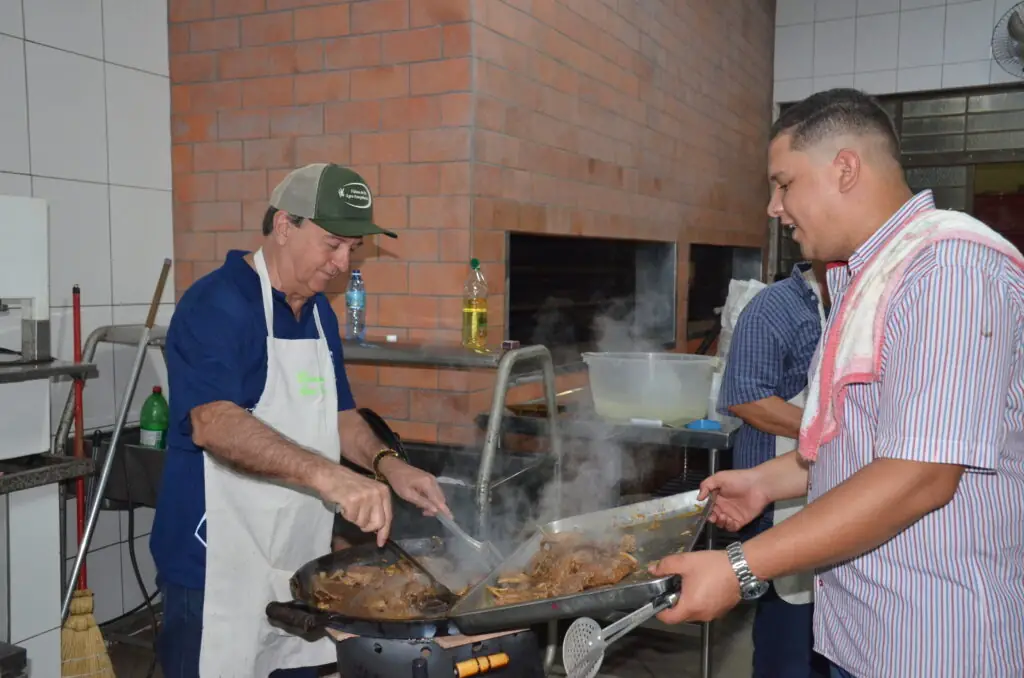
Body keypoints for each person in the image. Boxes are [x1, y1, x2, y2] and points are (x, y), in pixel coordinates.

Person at [651, 88, 1024, 677]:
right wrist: (764, 483)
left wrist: (742, 566)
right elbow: (857, 438)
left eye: (784, 183)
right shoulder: (866, 277)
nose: (775, 207)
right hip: (864, 632)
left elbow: (920, 474)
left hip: (933, 641)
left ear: (844, 168)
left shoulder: (949, 268)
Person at [150, 163, 453, 678]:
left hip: (298, 557)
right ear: (284, 225)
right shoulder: (217, 303)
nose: (342, 263)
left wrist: (389, 466)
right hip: (215, 561)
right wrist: (330, 476)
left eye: (352, 248)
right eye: (332, 243)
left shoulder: (318, 314)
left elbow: (341, 416)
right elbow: (213, 423)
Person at [717, 260, 830, 678]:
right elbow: (746, 398)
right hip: (778, 503)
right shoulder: (774, 308)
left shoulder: (857, 304)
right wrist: (833, 434)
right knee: (788, 643)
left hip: (833, 491)